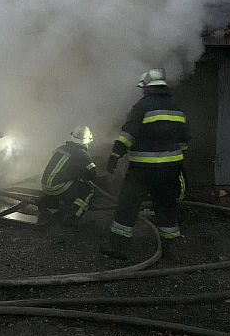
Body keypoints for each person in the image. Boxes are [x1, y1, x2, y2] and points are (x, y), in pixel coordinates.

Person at [102, 69, 190, 259]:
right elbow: (184, 140)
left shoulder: (142, 106)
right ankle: (170, 249)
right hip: (170, 169)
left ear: (147, 88)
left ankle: (119, 248)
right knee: (166, 206)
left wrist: (115, 155)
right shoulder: (176, 107)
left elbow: (128, 135)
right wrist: (174, 159)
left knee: (128, 206)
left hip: (142, 170)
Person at [38, 126, 97, 227]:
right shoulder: (82, 154)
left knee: (67, 183)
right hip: (58, 188)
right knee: (89, 189)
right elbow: (93, 173)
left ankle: (47, 202)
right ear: (87, 141)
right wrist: (81, 174)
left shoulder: (60, 148)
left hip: (45, 187)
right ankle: (73, 216)